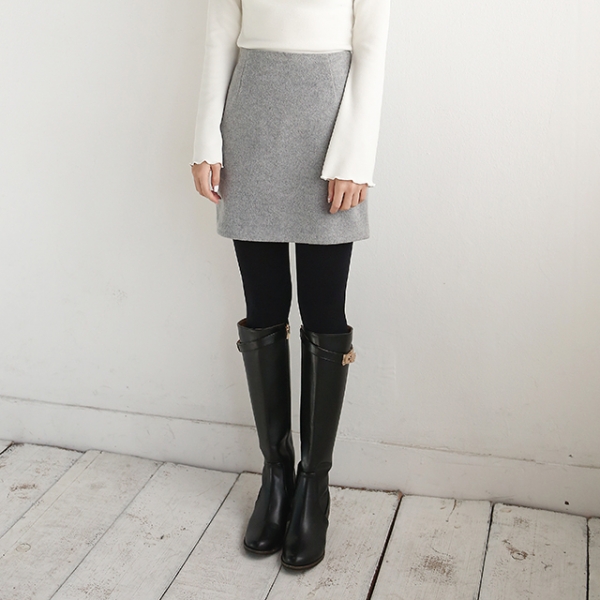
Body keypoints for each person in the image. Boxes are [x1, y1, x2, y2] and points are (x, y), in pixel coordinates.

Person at [191, 0, 390, 570]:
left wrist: (355, 157)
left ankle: (314, 485)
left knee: (325, 312)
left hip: (330, 123)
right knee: (264, 309)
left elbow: (372, 46)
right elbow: (220, 32)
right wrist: (206, 141)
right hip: (251, 120)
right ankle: (275, 476)